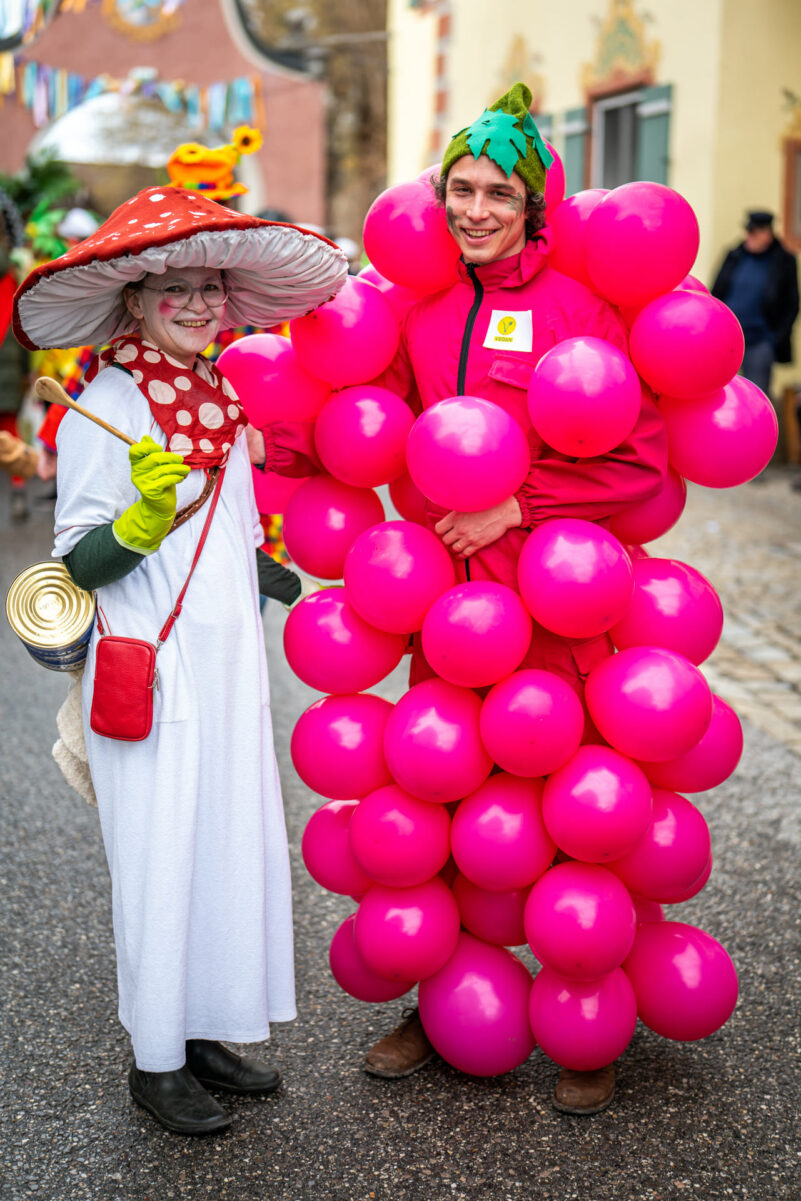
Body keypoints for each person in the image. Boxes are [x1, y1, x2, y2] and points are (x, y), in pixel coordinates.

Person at [254, 81, 668, 1116]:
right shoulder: (420, 308)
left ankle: (586, 1013)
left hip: (567, 614)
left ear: (536, 203)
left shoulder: (583, 309)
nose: (476, 209)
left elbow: (643, 469)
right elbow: (366, 425)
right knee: (442, 802)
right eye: (460, 190)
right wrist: (265, 442)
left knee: (577, 812)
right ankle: (444, 1005)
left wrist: (513, 507)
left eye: (497, 192)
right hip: (446, 613)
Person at [12, 184, 348, 1135]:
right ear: (135, 300)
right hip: (149, 667)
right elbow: (76, 558)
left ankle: (201, 1029)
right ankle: (155, 1062)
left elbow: (236, 540)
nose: (197, 305)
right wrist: (138, 519)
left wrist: (319, 586)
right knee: (162, 857)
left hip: (230, 666)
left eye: (210, 289)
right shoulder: (103, 404)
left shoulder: (219, 394)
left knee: (221, 847)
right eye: (175, 290)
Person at [711, 210, 799, 399]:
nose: (748, 237)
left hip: (760, 342)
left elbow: (792, 304)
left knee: (755, 396)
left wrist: (774, 339)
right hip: (726, 338)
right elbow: (716, 292)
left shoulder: (784, 261)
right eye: (747, 232)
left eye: (754, 233)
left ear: (767, 234)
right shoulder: (734, 255)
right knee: (719, 392)